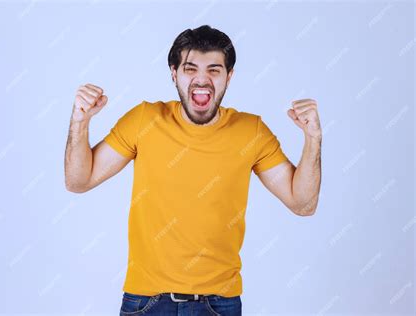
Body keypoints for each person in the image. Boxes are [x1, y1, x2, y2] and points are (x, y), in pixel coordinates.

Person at [64, 25, 322, 316]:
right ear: (174, 74)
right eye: (190, 69)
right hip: (146, 302)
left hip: (219, 304)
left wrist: (313, 138)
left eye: (214, 70)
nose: (202, 79)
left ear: (229, 77)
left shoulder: (252, 132)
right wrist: (80, 121)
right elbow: (78, 181)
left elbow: (302, 204)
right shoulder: (143, 120)